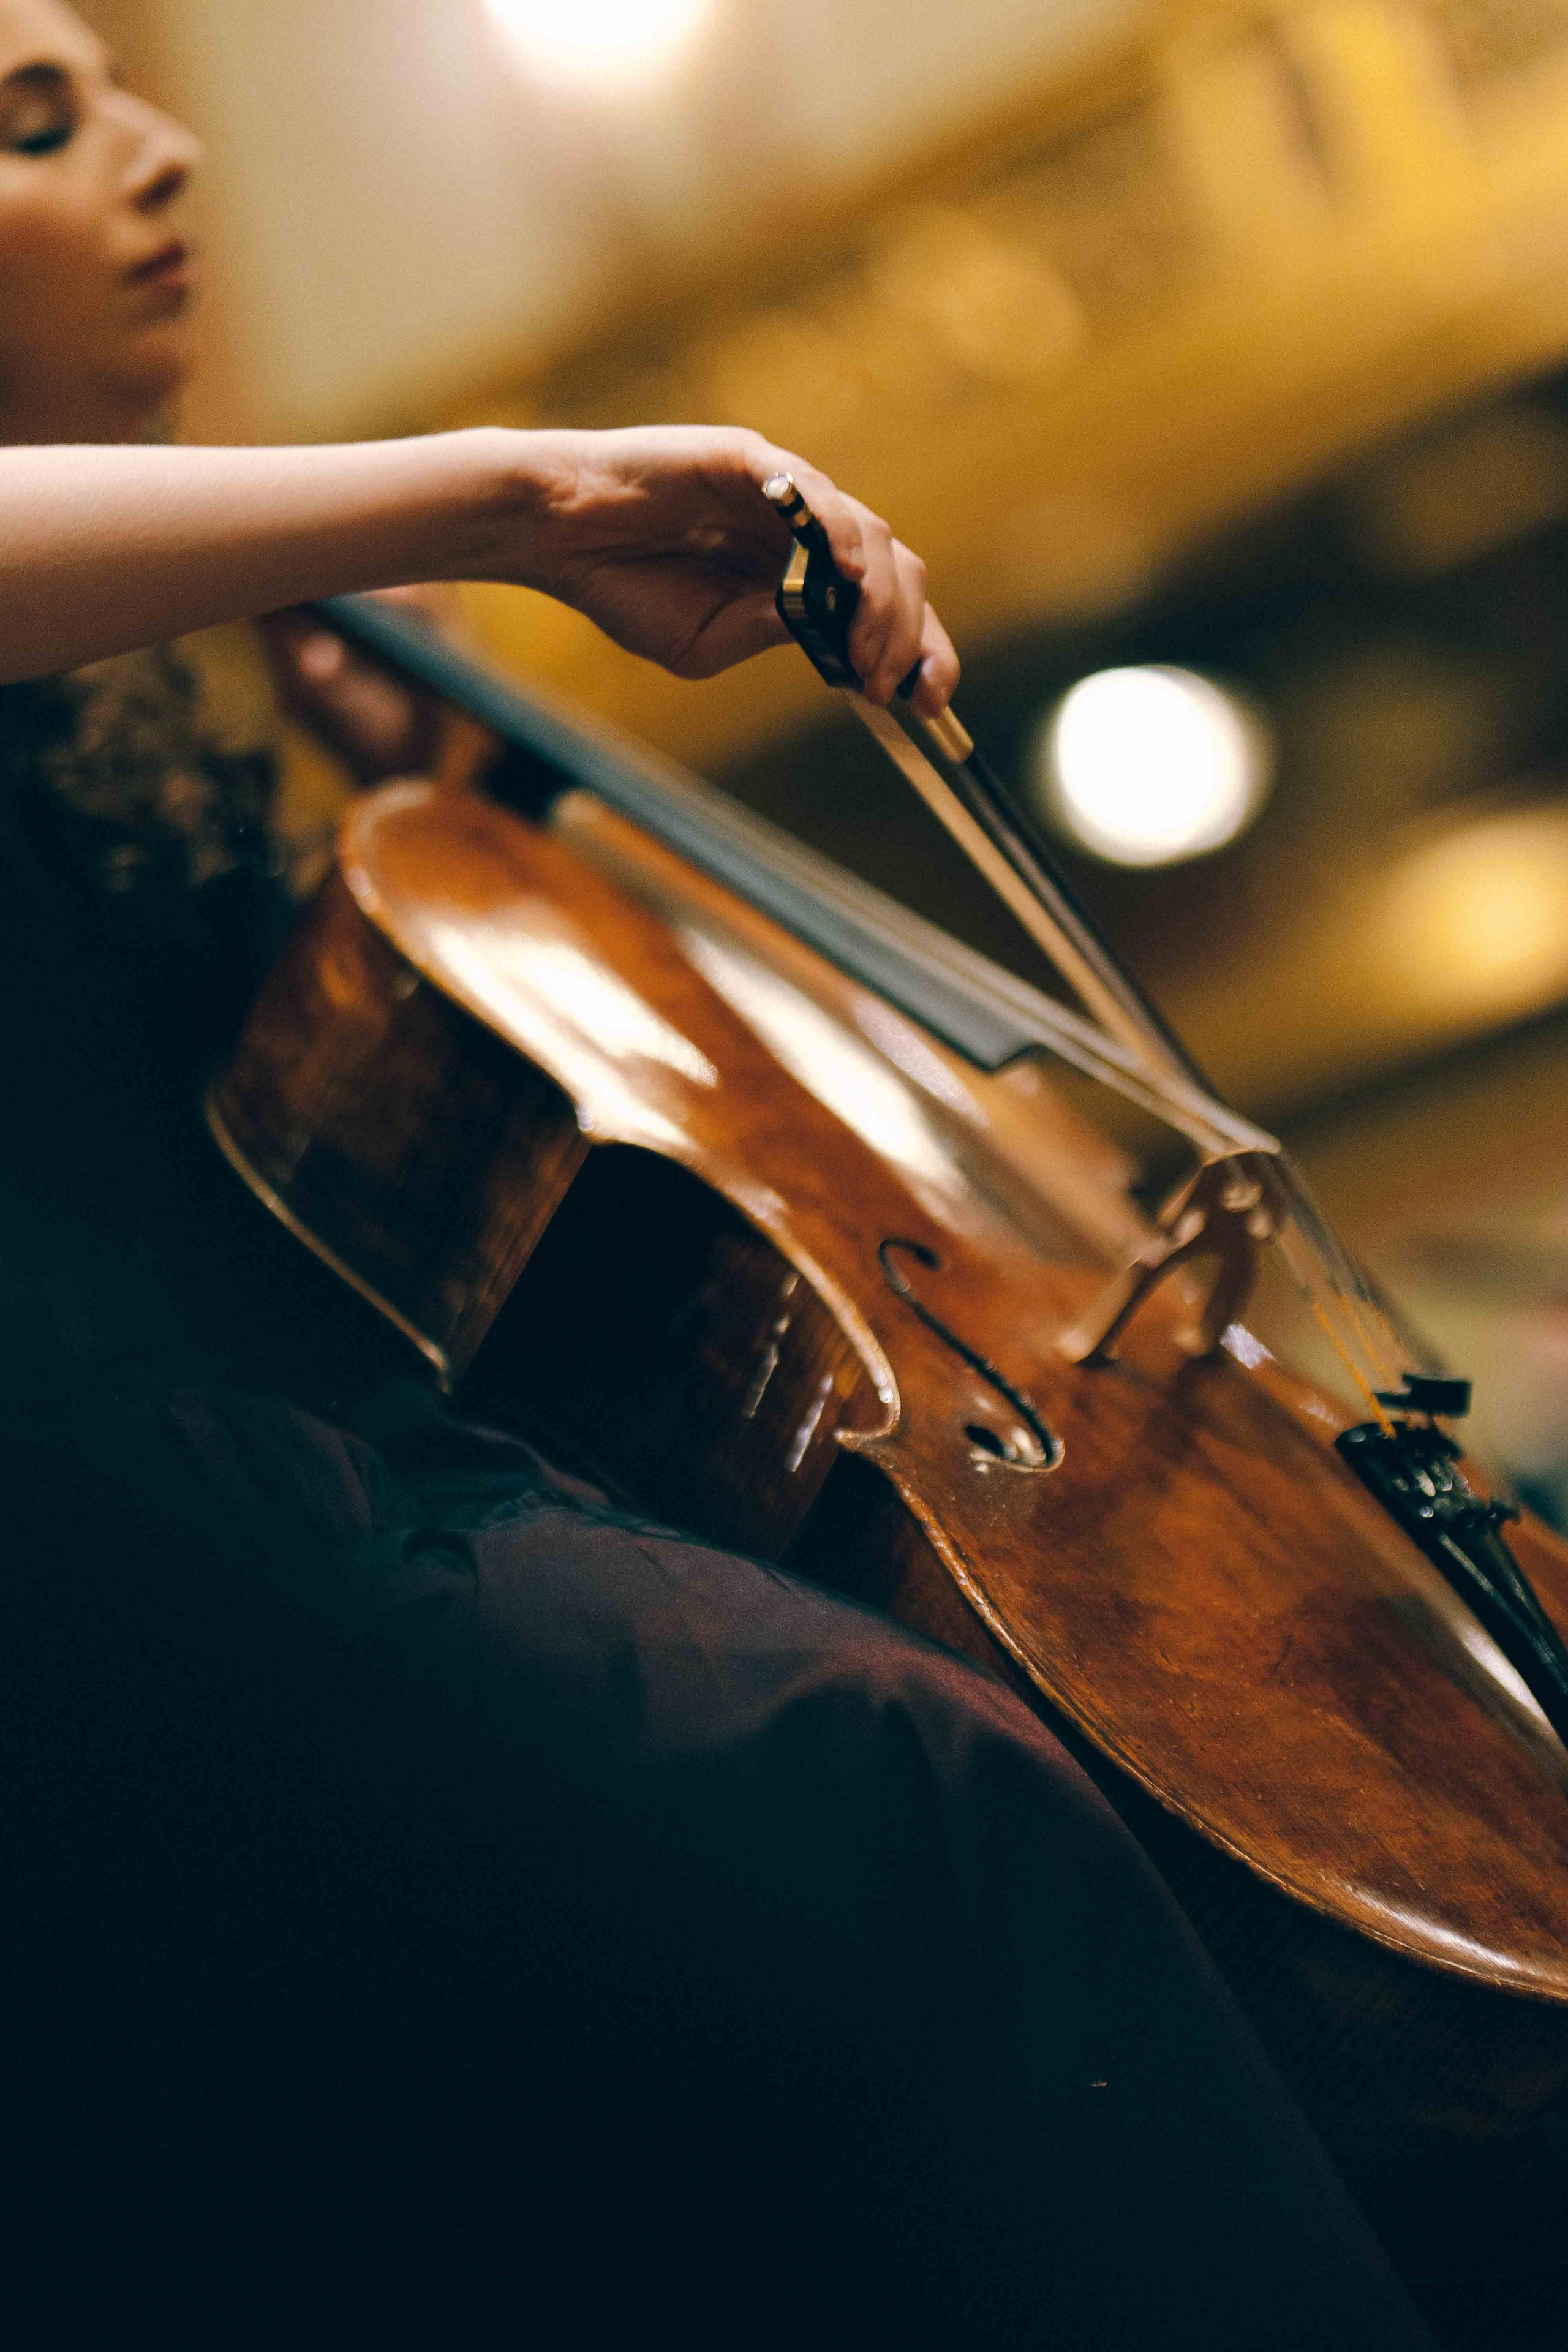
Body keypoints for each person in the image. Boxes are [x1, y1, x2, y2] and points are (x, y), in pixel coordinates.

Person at [0, 5, 1442, 2343]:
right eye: (32, 129)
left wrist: (454, 766)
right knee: (900, 1793)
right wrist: (509, 492)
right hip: (98, 1531)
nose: (159, 151)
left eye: (118, 84)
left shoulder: (143, 659)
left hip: (305, 1457)